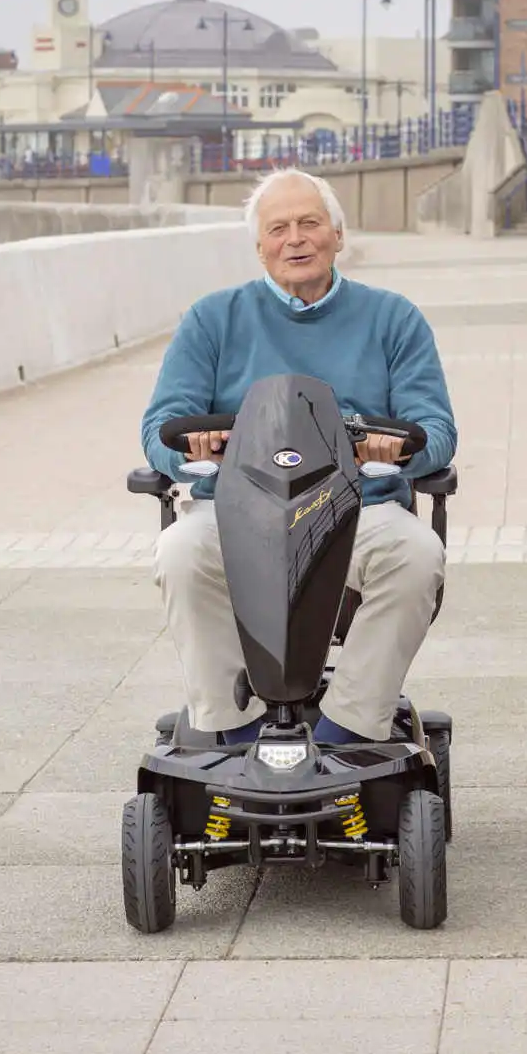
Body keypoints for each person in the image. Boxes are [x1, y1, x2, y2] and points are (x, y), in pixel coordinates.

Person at [141, 168, 457, 746]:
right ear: (259, 247)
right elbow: (159, 427)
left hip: (357, 508)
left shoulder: (393, 318)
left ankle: (349, 725)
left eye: (310, 223)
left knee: (416, 553)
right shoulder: (212, 319)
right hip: (238, 510)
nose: (295, 239)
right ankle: (229, 727)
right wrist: (189, 447)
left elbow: (435, 430)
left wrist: (396, 449)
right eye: (278, 228)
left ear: (338, 233)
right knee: (180, 549)